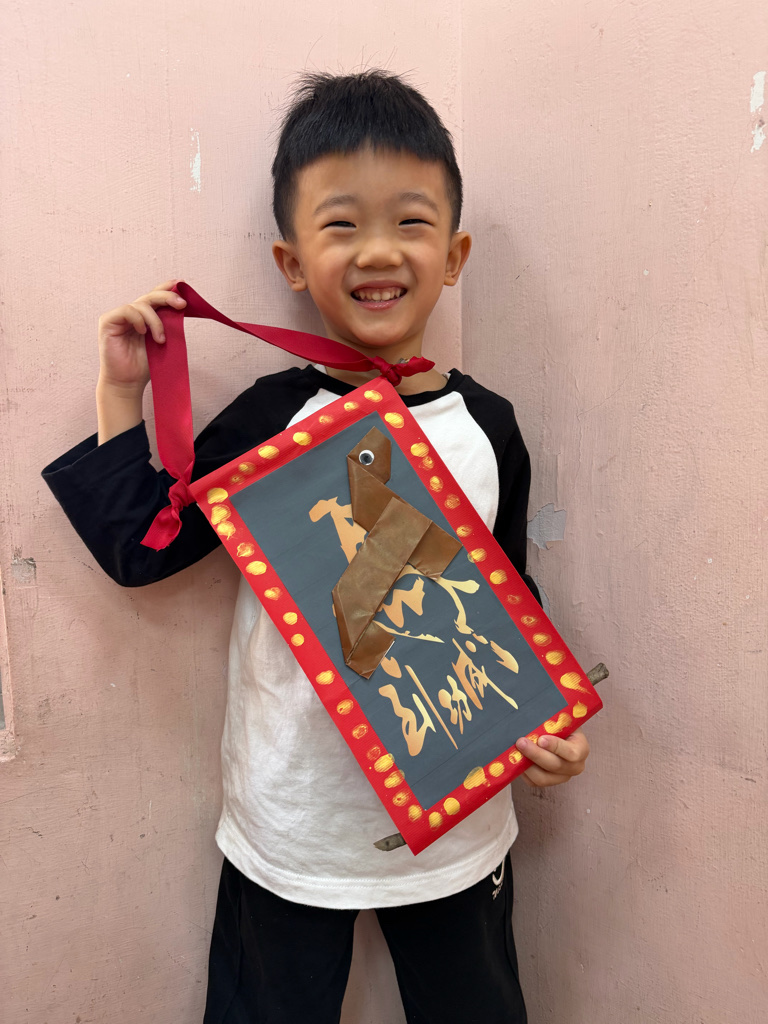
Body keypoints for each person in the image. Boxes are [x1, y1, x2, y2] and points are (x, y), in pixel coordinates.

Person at [43, 70, 590, 1024]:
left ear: (454, 255)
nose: (378, 250)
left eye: (411, 221)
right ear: (292, 263)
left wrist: (550, 722)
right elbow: (144, 549)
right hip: (291, 829)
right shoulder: (272, 419)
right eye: (341, 225)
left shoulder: (489, 425)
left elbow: (510, 599)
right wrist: (121, 393)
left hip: (461, 825)